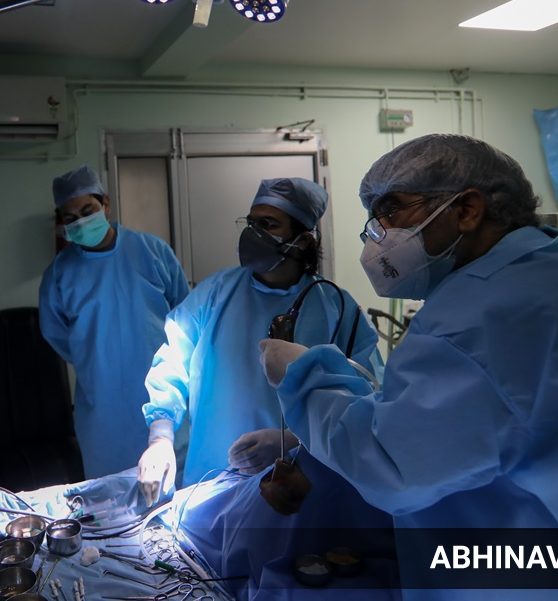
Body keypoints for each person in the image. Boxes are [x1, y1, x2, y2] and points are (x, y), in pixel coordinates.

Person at [260, 135, 558, 597]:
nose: (379, 233)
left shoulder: (478, 317)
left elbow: (392, 466)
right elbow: (506, 412)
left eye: (392, 209)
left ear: (467, 210)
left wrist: (304, 379)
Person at [137, 177, 384, 504]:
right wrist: (160, 437)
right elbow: (172, 360)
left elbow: (365, 397)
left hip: (298, 479)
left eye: (268, 224)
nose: (253, 233)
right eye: (251, 222)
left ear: (303, 241)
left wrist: (293, 440)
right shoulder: (216, 293)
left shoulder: (335, 308)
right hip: (212, 477)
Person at [39, 165, 190, 479]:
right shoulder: (59, 274)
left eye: (87, 210)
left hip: (163, 394)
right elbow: (58, 335)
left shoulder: (152, 251)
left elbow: (185, 317)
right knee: (111, 503)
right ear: (61, 223)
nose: (80, 221)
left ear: (106, 204)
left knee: (176, 493)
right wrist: (97, 359)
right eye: (70, 218)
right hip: (102, 410)